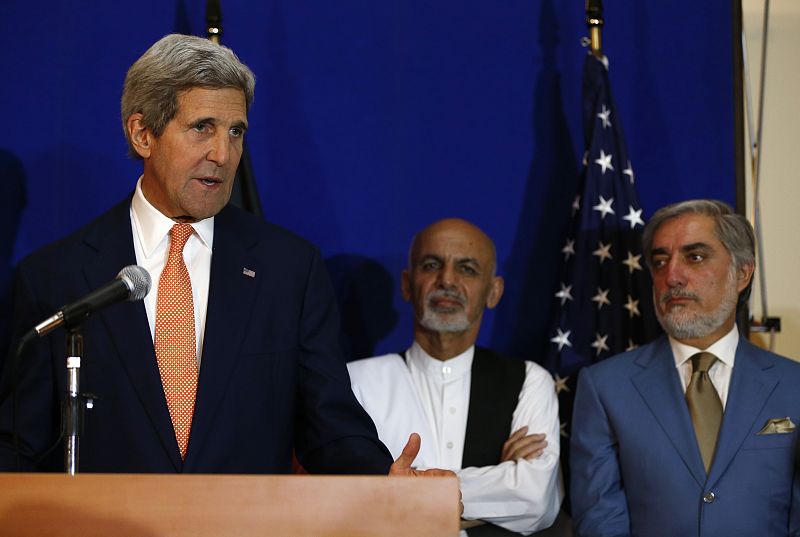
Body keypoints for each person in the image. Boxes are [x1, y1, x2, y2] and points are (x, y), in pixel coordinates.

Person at [0, 34, 443, 478]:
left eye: (236, 132)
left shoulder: (289, 269)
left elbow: (330, 427)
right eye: (202, 128)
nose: (224, 154)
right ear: (142, 134)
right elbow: (19, 446)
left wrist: (385, 479)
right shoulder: (55, 277)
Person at [570, 199, 800, 536]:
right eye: (660, 261)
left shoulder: (793, 385)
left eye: (695, 257)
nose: (672, 276)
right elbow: (599, 521)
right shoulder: (605, 387)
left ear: (742, 273)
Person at [348, 218, 564, 535]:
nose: (447, 280)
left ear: (494, 292)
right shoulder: (355, 382)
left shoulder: (529, 381)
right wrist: (501, 481)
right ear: (407, 284)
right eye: (431, 265)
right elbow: (348, 497)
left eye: (467, 269)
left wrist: (404, 487)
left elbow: (535, 498)